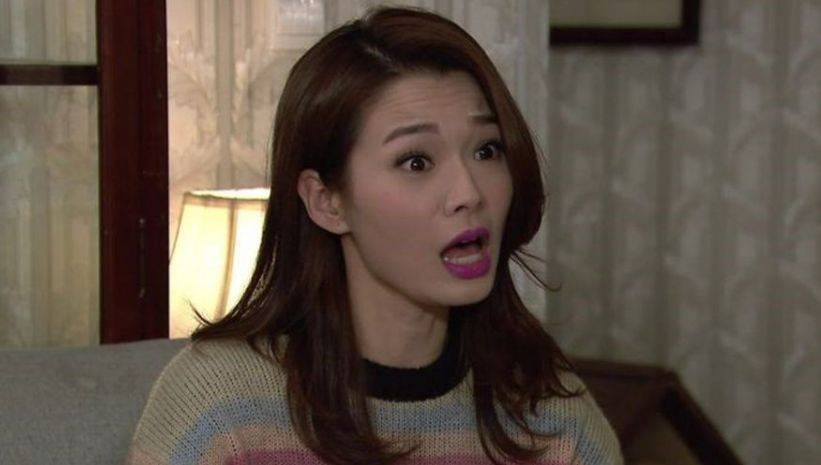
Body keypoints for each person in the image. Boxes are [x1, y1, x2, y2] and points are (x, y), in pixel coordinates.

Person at [126, 6, 623, 465]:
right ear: (327, 201)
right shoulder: (218, 407)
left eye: (486, 151)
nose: (469, 193)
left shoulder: (550, 414)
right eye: (417, 162)